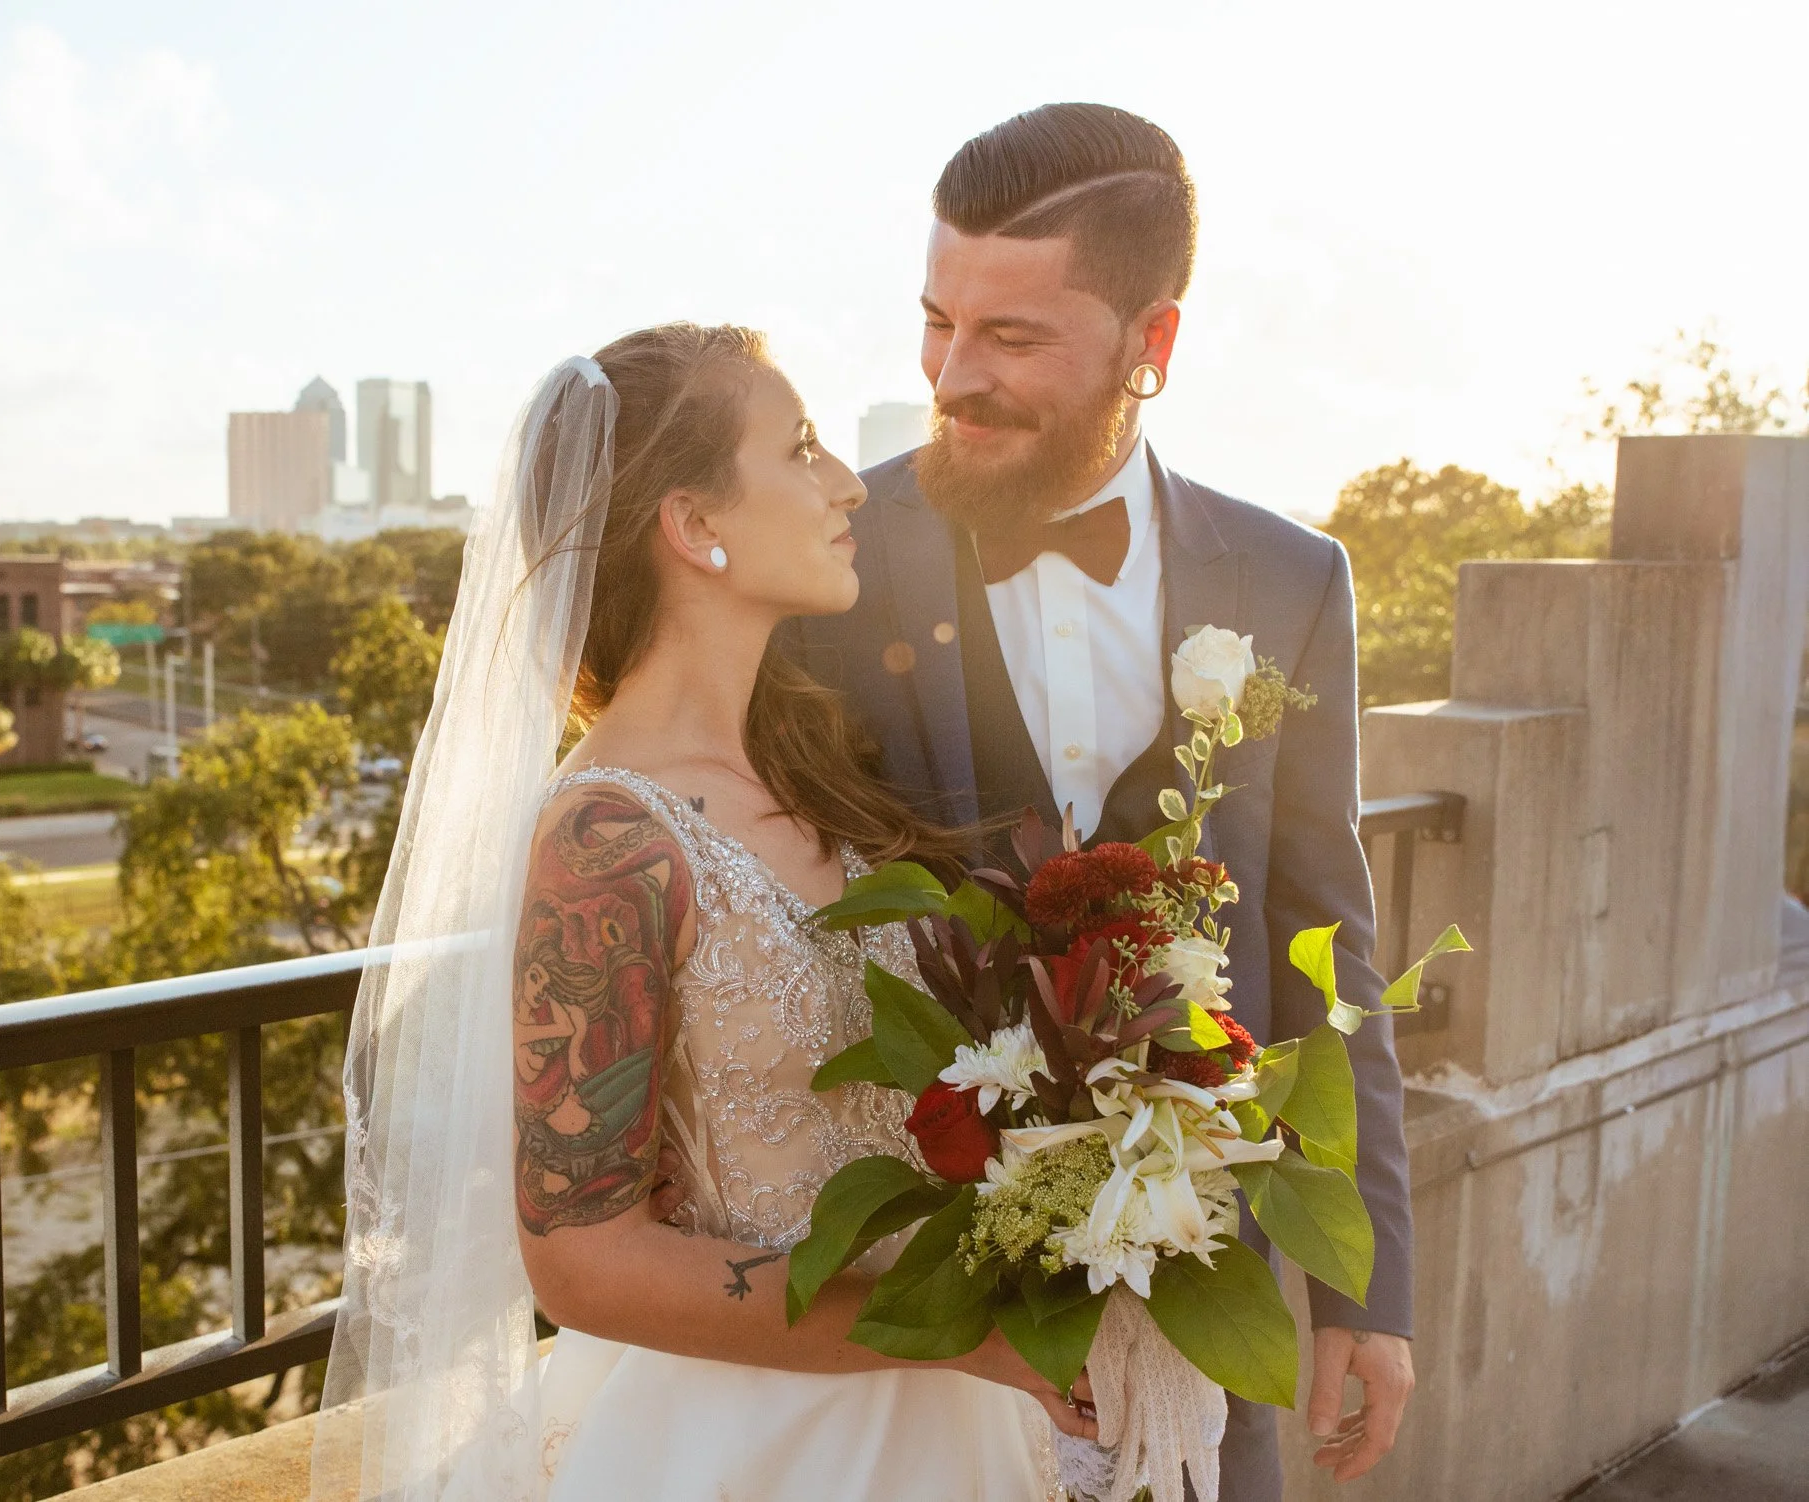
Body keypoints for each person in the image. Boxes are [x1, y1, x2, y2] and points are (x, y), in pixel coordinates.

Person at [314, 326, 1078, 1501]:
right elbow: (582, 1261)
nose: (843, 484)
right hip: (741, 1445)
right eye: (804, 448)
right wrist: (955, 1332)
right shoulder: (607, 840)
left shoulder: (821, 770)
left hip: (945, 1423)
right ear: (694, 525)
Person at [786, 103, 1417, 1497]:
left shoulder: (1291, 577)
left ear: (1154, 345)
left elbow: (1327, 942)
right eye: (937, 321)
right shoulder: (828, 553)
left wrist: (1366, 1287)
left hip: (1200, 1294)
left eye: (1011, 338)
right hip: (915, 1333)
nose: (953, 375)